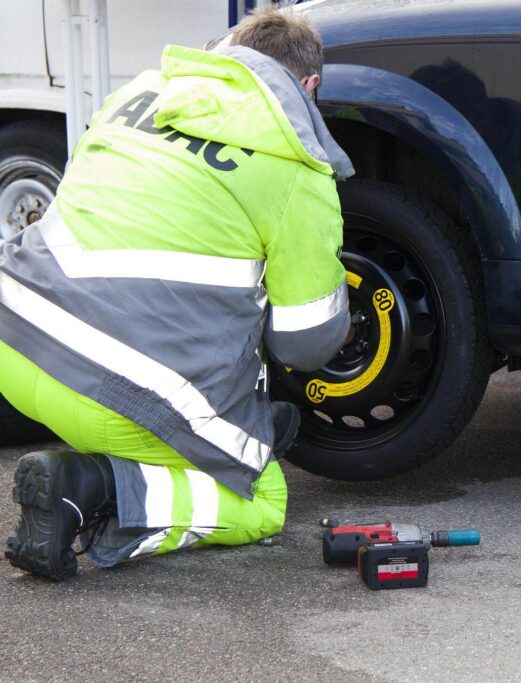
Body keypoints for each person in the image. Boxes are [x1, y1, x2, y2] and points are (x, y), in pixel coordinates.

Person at [0, 6, 354, 580]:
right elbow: (305, 342)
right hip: (112, 392)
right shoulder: (297, 166)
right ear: (308, 86)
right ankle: (90, 487)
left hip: (15, 342)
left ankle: (237, 426)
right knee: (263, 502)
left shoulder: (141, 92)